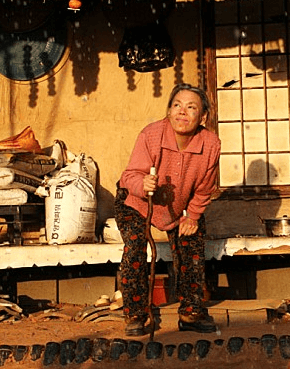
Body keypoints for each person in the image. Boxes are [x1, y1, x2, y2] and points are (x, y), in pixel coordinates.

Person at [114, 83, 221, 336]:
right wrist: (142, 183)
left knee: (191, 246)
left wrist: (192, 216)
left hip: (180, 208)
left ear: (203, 116)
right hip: (137, 202)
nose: (182, 112)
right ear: (169, 111)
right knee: (135, 247)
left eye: (191, 107)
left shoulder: (211, 144)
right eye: (177, 105)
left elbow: (205, 188)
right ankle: (136, 314)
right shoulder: (151, 135)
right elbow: (129, 175)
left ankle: (190, 312)